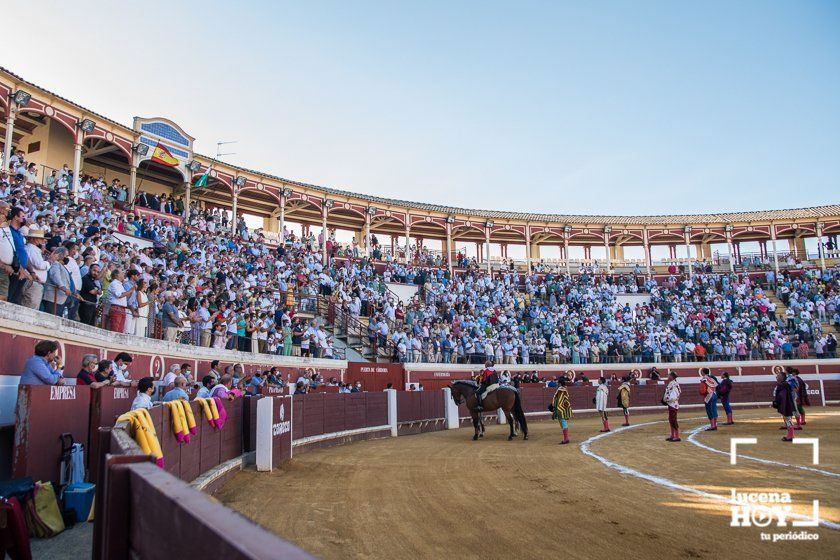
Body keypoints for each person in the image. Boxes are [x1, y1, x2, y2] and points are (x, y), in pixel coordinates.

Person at [772, 369, 797, 442]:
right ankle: (790, 435)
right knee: (788, 419)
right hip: (787, 404)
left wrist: (777, 402)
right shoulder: (785, 384)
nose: (777, 377)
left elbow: (782, 396)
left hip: (786, 404)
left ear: (782, 377)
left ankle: (790, 436)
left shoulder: (782, 385)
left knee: (788, 419)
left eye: (778, 376)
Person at [549, 376, 573, 444]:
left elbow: (558, 399)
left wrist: (554, 405)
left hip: (560, 407)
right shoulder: (564, 389)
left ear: (559, 383)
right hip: (563, 407)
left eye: (558, 382)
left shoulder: (560, 390)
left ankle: (566, 439)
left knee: (562, 421)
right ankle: (566, 438)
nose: (557, 383)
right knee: (563, 421)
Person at [663, 372, 681, 442]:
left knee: (673, 420)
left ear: (672, 376)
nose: (667, 376)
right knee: (671, 419)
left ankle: (677, 436)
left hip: (673, 404)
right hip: (672, 403)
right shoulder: (673, 383)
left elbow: (673, 396)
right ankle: (673, 435)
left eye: (669, 375)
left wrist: (666, 400)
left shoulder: (673, 384)